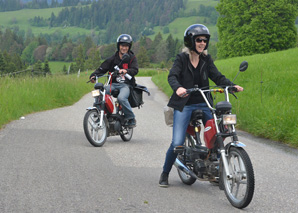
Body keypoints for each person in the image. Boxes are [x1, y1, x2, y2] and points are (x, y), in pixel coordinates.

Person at [159, 24, 243, 187]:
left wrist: (231, 86)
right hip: (185, 104)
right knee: (177, 143)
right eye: (199, 40)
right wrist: (179, 88)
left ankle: (217, 170)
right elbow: (172, 76)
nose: (202, 43)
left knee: (217, 136)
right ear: (191, 41)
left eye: (205, 40)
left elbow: (217, 77)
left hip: (204, 103)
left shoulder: (206, 59)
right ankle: (165, 173)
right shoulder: (181, 58)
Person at [89, 34, 138, 127]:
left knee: (121, 98)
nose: (124, 48)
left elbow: (135, 70)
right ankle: (100, 113)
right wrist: (94, 76)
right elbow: (102, 69)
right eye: (122, 45)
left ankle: (131, 118)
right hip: (113, 84)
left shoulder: (132, 58)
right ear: (119, 46)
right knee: (99, 92)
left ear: (129, 47)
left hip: (126, 85)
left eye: (126, 46)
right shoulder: (113, 58)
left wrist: (126, 71)